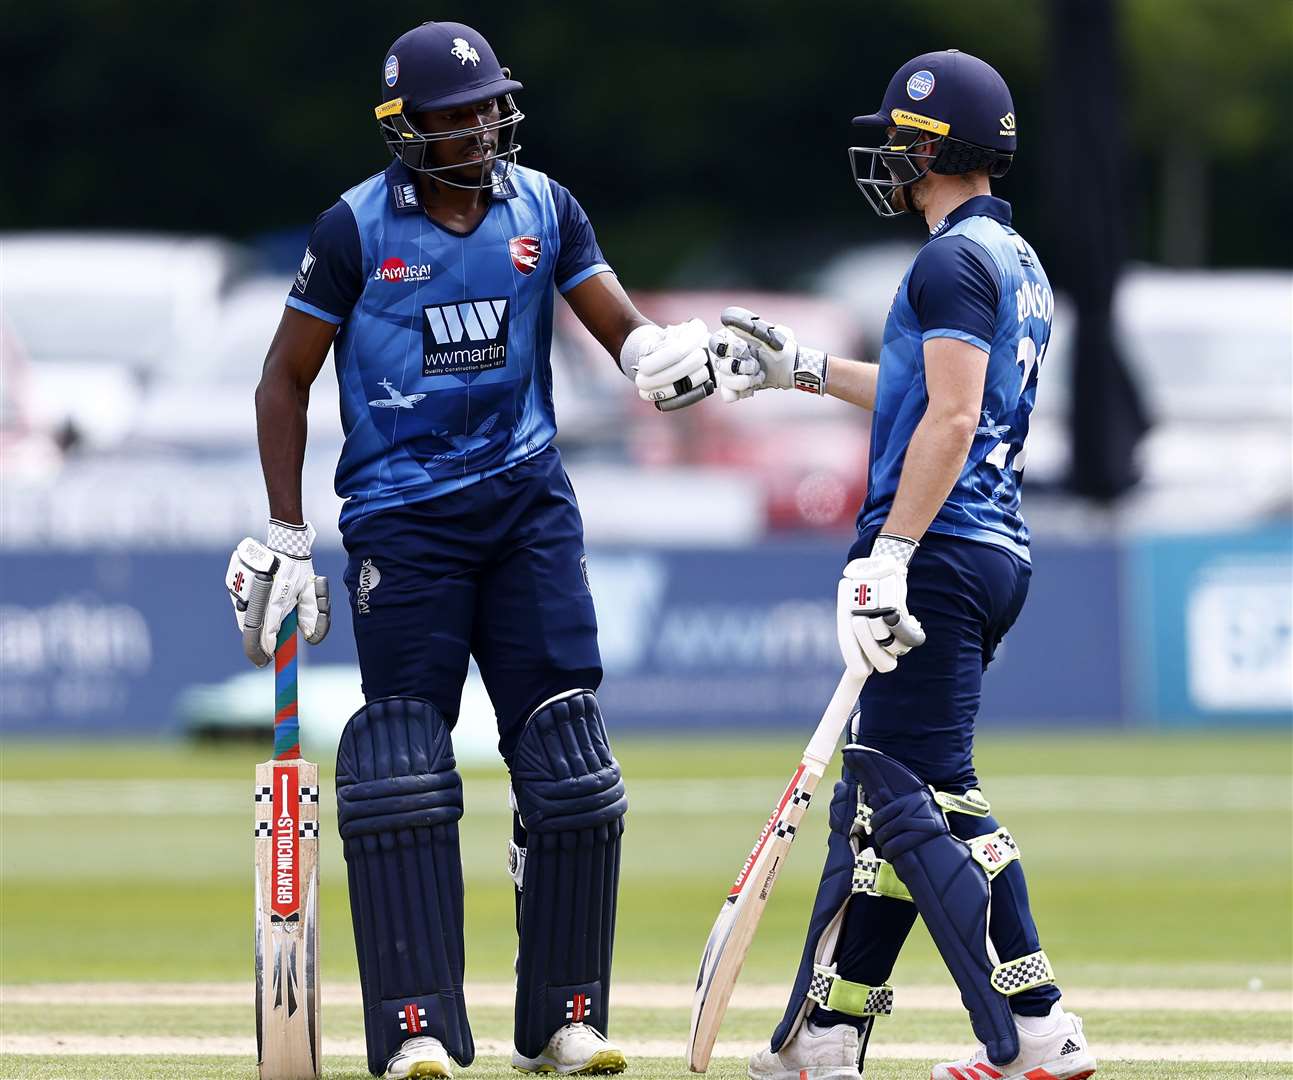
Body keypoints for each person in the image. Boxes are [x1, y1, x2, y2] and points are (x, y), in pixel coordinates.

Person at [225, 20, 716, 1080]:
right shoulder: (356, 228)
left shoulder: (545, 206)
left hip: (528, 504)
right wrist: (284, 529)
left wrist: (656, 354)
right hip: (405, 519)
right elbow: (283, 378)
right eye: (456, 114)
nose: (480, 127)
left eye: (490, 106)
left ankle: (564, 1018)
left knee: (572, 768)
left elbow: (615, 323)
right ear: (410, 128)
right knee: (404, 766)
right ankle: (418, 1032)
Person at [710, 50, 1097, 1080]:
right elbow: (925, 389)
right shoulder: (1011, 259)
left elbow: (957, 415)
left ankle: (1037, 1031)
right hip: (986, 545)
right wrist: (800, 369)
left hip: (945, 545)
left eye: (897, 138)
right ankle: (828, 1038)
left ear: (927, 149)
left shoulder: (947, 262)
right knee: (885, 804)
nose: (884, 153)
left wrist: (891, 553)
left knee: (936, 799)